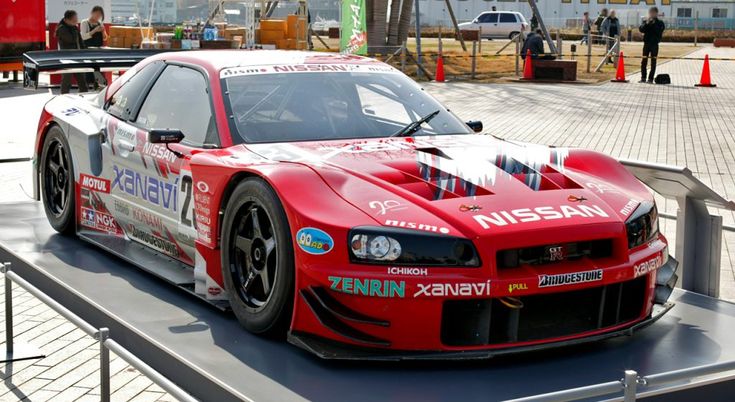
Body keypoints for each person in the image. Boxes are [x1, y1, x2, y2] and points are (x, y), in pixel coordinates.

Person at [55, 10, 88, 94]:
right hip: (66, 58)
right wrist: (75, 29)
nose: (76, 21)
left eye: (76, 19)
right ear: (66, 20)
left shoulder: (74, 27)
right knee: (66, 81)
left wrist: (84, 51)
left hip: (77, 57)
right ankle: (63, 97)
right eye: (73, 20)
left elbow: (80, 42)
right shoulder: (62, 29)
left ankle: (83, 96)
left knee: (82, 81)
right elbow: (71, 40)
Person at [81, 6, 108, 89]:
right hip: (88, 51)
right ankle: (87, 88)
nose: (98, 17)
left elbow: (105, 38)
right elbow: (83, 36)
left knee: (98, 69)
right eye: (96, 14)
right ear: (92, 13)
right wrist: (95, 30)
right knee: (89, 70)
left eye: (100, 15)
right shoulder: (85, 22)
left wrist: (103, 31)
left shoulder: (100, 23)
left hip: (98, 51)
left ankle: (100, 87)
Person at [639, 6, 665, 83]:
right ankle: (643, 77)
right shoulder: (646, 21)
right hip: (646, 44)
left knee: (653, 61)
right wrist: (647, 23)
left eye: (653, 12)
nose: (651, 14)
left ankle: (650, 78)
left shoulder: (660, 23)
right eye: (650, 12)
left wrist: (653, 24)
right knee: (644, 61)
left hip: (654, 44)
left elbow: (659, 31)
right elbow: (641, 29)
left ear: (656, 13)